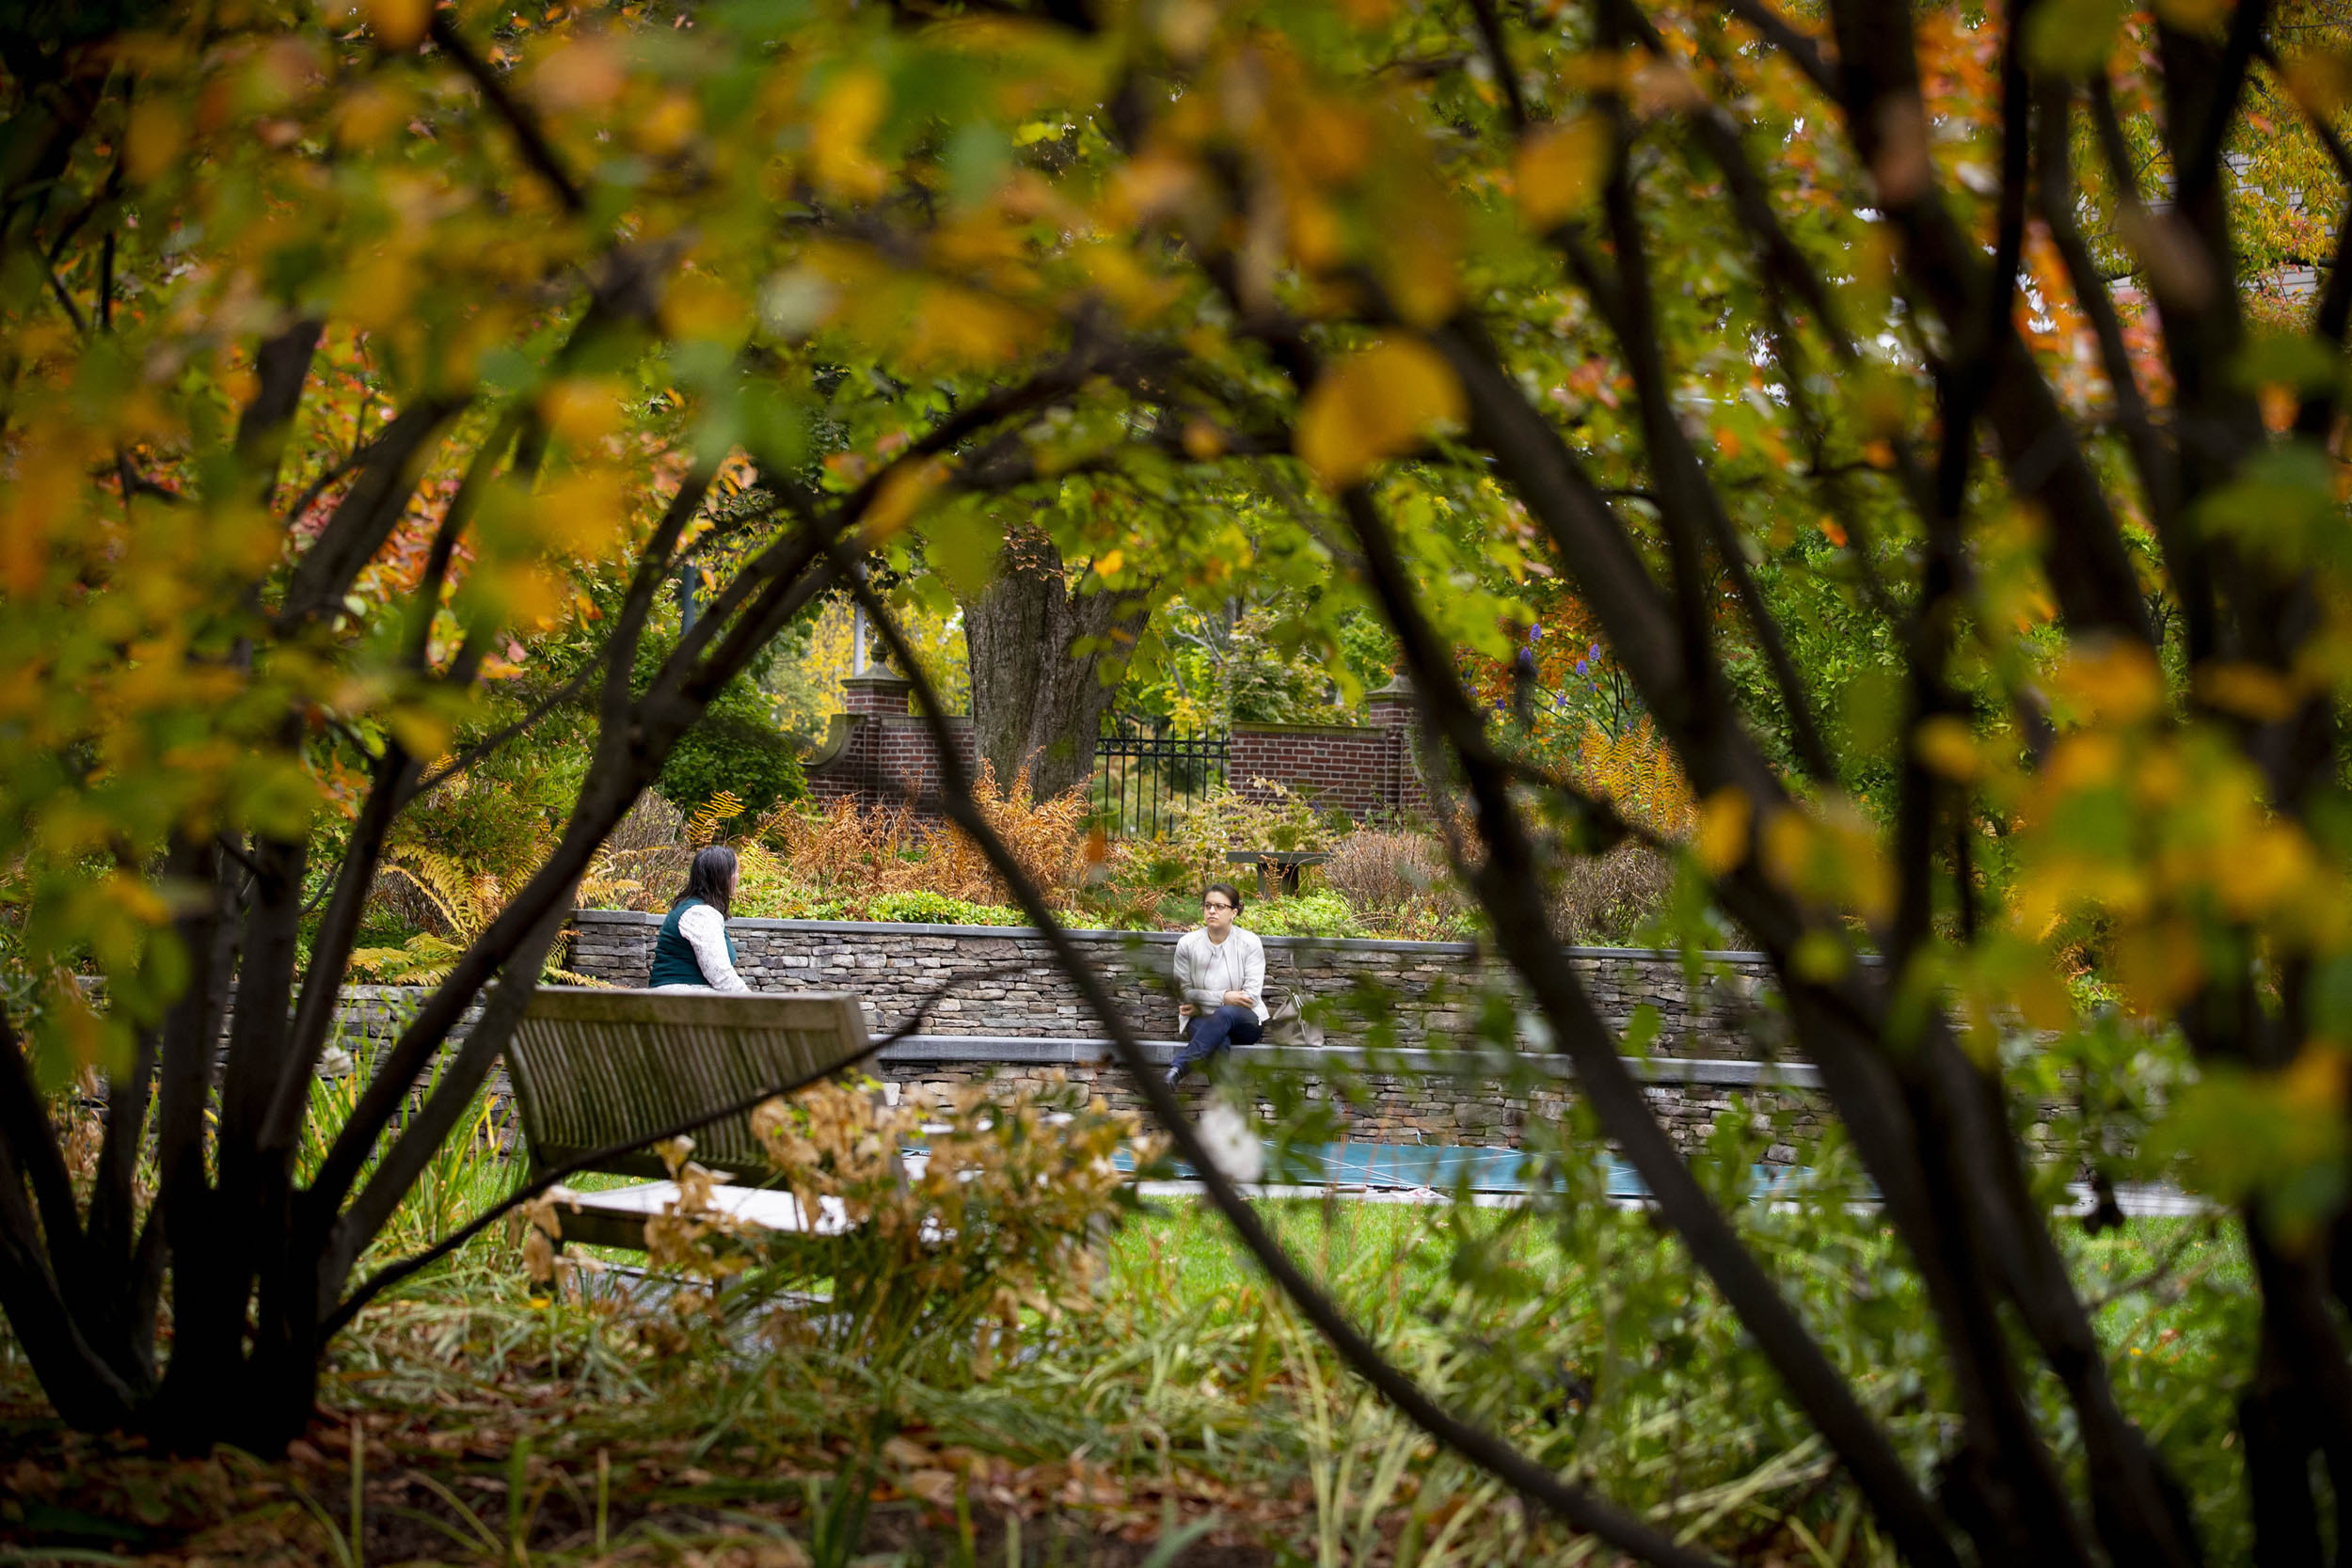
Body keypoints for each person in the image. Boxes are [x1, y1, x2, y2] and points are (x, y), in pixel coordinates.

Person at [1166, 881, 1266, 1085]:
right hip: (1203, 1022)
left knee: (1225, 1013)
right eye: (1207, 905)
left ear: (1234, 912)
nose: (1212, 911)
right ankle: (1227, 1108)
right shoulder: (1187, 944)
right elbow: (1183, 993)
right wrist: (1225, 997)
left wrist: (1205, 1003)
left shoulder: (1250, 942)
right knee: (1219, 1042)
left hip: (1245, 1022)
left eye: (1220, 906)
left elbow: (1250, 997)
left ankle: (1179, 1066)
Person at [648, 845, 750, 991]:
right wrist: (754, 1002)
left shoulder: (691, 908)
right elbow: (720, 975)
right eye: (736, 871)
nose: (738, 877)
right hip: (681, 1001)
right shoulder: (699, 915)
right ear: (721, 877)